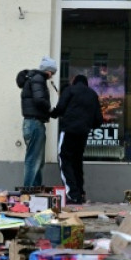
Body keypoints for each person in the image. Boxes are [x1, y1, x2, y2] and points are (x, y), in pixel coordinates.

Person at [50, 74, 104, 204]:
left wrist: (51, 113)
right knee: (77, 162)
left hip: (68, 130)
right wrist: (86, 124)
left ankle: (72, 195)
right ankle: (80, 193)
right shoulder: (92, 95)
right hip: (83, 133)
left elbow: (60, 109)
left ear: (74, 81)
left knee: (64, 158)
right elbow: (98, 120)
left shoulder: (70, 90)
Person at [19, 56, 56, 188]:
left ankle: (35, 189)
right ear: (49, 71)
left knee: (36, 160)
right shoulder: (38, 79)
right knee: (34, 160)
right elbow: (39, 100)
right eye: (53, 72)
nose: (52, 76)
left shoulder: (34, 78)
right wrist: (50, 109)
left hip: (31, 123)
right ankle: (29, 191)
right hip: (35, 123)